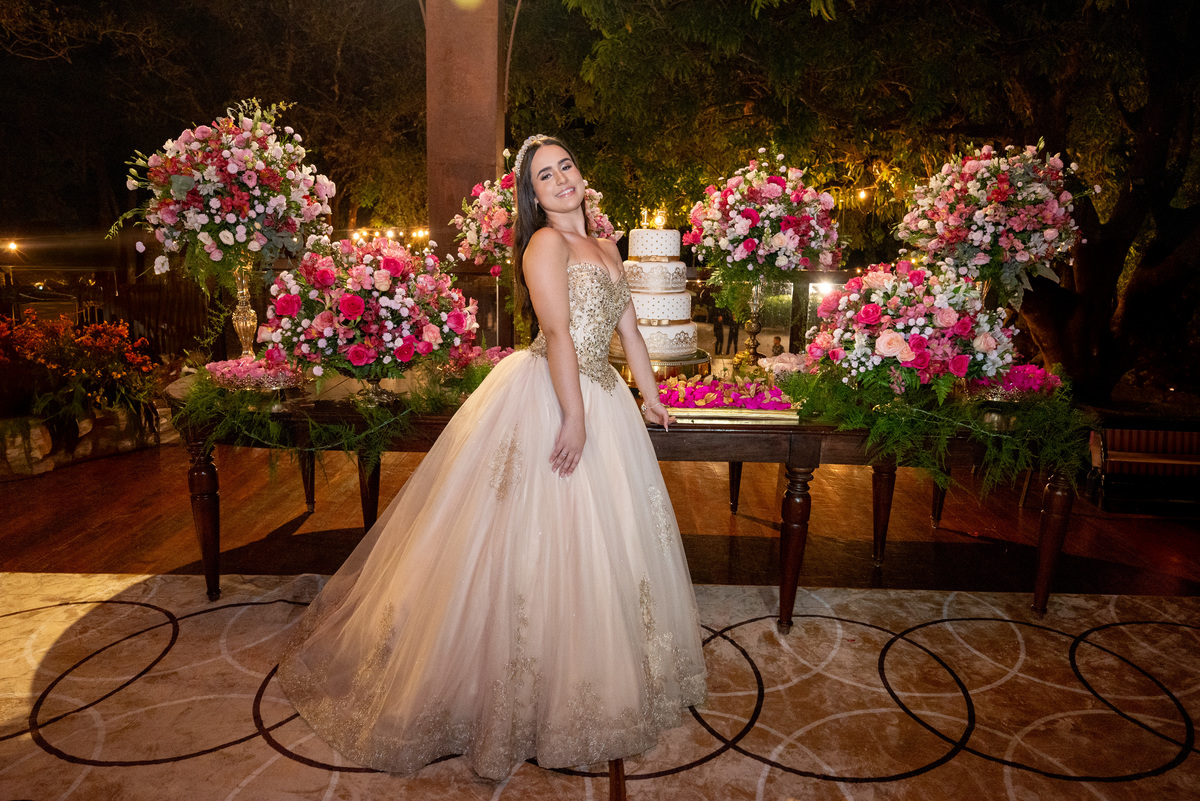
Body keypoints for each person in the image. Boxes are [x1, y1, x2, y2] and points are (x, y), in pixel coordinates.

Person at [277, 134, 707, 781]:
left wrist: (650, 398)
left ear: (580, 174)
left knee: (606, 545)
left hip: (606, 395)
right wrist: (574, 416)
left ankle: (592, 679)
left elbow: (631, 332)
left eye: (565, 166)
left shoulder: (608, 246)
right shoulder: (544, 246)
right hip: (555, 395)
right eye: (544, 175)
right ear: (533, 196)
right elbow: (558, 333)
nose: (560, 179)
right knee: (527, 542)